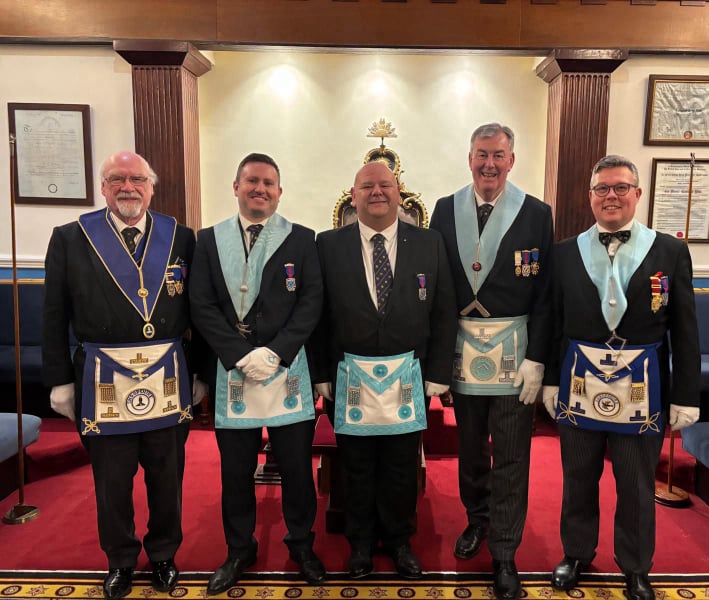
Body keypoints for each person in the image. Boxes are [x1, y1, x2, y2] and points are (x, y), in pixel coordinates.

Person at [42, 150, 199, 600]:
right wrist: (59, 380)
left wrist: (201, 373)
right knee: (111, 480)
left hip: (167, 375)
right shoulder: (71, 237)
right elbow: (54, 314)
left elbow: (199, 310)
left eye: (137, 179)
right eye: (117, 179)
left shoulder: (180, 236)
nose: (128, 187)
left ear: (152, 187)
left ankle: (164, 554)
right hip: (102, 378)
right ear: (103, 187)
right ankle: (121, 560)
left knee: (167, 476)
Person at [543, 155, 701, 600]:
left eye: (620, 187)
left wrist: (686, 395)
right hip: (579, 380)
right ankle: (576, 553)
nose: (610, 196)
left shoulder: (669, 251)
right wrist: (549, 380)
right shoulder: (565, 251)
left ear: (637, 193)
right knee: (579, 477)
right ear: (590, 196)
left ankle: (635, 566)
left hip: (642, 387)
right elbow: (552, 322)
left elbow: (685, 329)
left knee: (635, 483)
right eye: (602, 188)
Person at [312, 161, 457, 580]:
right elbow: (317, 315)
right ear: (353, 195)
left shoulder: (430, 242)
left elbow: (444, 310)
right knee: (354, 466)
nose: (377, 192)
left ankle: (399, 541)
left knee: (401, 465)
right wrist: (321, 373)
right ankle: (359, 544)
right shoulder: (328, 244)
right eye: (367, 186)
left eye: (385, 185)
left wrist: (439, 371)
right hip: (349, 376)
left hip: (408, 376)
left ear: (398, 192)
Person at [189, 153, 326, 594]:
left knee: (297, 469)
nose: (260, 189)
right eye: (251, 181)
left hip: (287, 369)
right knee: (236, 471)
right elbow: (201, 304)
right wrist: (238, 354)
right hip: (233, 371)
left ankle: (301, 543)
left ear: (279, 192)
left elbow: (311, 302)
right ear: (236, 187)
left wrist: (276, 352)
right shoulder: (208, 240)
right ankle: (238, 548)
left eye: (268, 183)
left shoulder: (301, 239)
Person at [429, 123, 553, 600]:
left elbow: (545, 294)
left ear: (511, 160)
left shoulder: (537, 213)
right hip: (462, 351)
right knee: (471, 449)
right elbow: (437, 290)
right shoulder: (445, 209)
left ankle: (505, 551)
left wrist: (538, 358)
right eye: (482, 154)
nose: (489, 164)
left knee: (512, 453)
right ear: (469, 158)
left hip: (514, 353)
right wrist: (437, 360)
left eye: (498, 155)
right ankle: (477, 519)